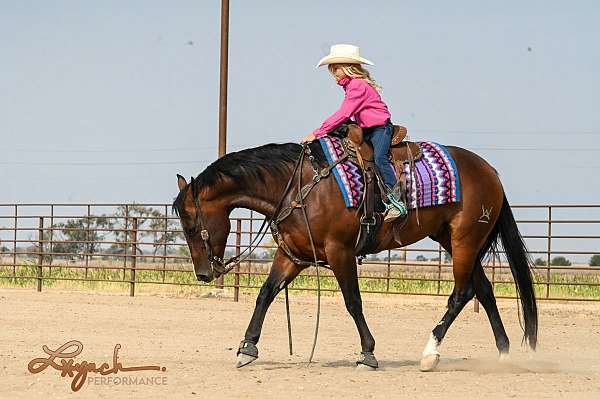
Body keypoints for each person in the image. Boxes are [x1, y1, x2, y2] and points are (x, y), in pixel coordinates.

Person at [301, 44, 406, 221]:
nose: (333, 74)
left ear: (346, 68)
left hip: (380, 129)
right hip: (367, 129)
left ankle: (397, 200)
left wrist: (317, 133)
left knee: (380, 158)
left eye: (335, 69)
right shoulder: (352, 86)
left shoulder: (357, 86)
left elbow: (344, 113)